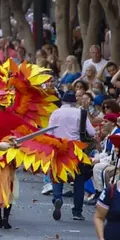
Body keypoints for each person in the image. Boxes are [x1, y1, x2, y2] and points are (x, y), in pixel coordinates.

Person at [48, 92, 96, 222]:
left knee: (57, 176)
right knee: (78, 181)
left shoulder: (56, 113)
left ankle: (57, 197)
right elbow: (92, 132)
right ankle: (77, 211)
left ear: (62, 101)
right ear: (75, 102)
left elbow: (48, 133)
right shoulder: (81, 113)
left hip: (59, 148)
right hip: (76, 149)